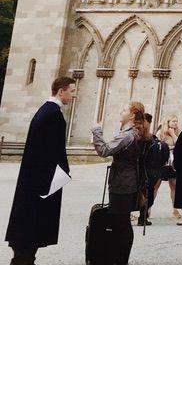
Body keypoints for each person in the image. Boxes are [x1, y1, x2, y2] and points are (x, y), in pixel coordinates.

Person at [6, 76, 76, 264]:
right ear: (61, 91)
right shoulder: (53, 114)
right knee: (32, 230)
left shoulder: (46, 110)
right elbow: (53, 151)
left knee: (28, 231)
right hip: (42, 183)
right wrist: (61, 175)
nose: (73, 96)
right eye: (72, 91)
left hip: (33, 181)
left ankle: (24, 255)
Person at [91, 101, 147, 264]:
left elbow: (104, 150)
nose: (120, 112)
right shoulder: (134, 133)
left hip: (122, 183)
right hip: (128, 181)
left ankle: (120, 259)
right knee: (121, 221)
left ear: (132, 115)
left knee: (121, 222)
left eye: (123, 109)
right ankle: (119, 257)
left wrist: (96, 131)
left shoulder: (127, 135)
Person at [152, 116, 180, 219]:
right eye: (173, 121)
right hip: (162, 162)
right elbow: (157, 146)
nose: (175, 123)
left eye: (176, 121)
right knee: (155, 185)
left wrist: (173, 134)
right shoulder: (161, 133)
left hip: (173, 163)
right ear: (168, 122)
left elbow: (180, 144)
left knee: (174, 186)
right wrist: (171, 147)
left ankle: (175, 210)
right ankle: (148, 209)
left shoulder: (177, 133)